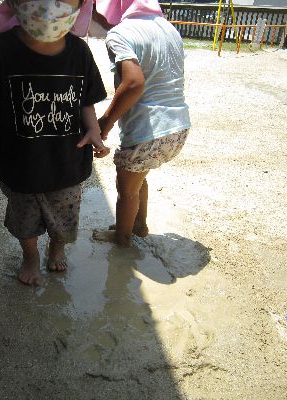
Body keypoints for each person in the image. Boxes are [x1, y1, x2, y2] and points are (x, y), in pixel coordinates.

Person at [0, 0, 109, 285]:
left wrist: (94, 129)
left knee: (65, 217)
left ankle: (56, 248)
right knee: (24, 221)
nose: (49, 7)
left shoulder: (79, 51)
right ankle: (30, 257)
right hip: (20, 164)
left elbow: (86, 99)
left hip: (68, 162)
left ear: (82, 5)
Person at [91, 0, 191, 247]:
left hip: (147, 131)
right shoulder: (169, 28)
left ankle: (122, 237)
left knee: (126, 189)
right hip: (178, 127)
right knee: (138, 175)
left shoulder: (120, 34)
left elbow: (133, 83)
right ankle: (139, 225)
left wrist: (105, 122)